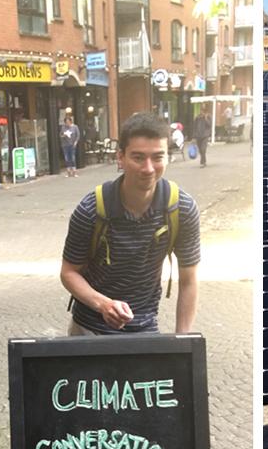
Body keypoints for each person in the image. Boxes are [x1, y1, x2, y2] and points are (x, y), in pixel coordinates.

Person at [60, 112, 200, 335]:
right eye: (138, 157)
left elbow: (189, 281)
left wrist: (183, 340)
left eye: (157, 157)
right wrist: (103, 304)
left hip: (144, 326)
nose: (148, 168)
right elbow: (69, 273)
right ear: (121, 157)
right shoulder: (91, 210)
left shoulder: (181, 209)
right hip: (89, 328)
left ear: (167, 157)